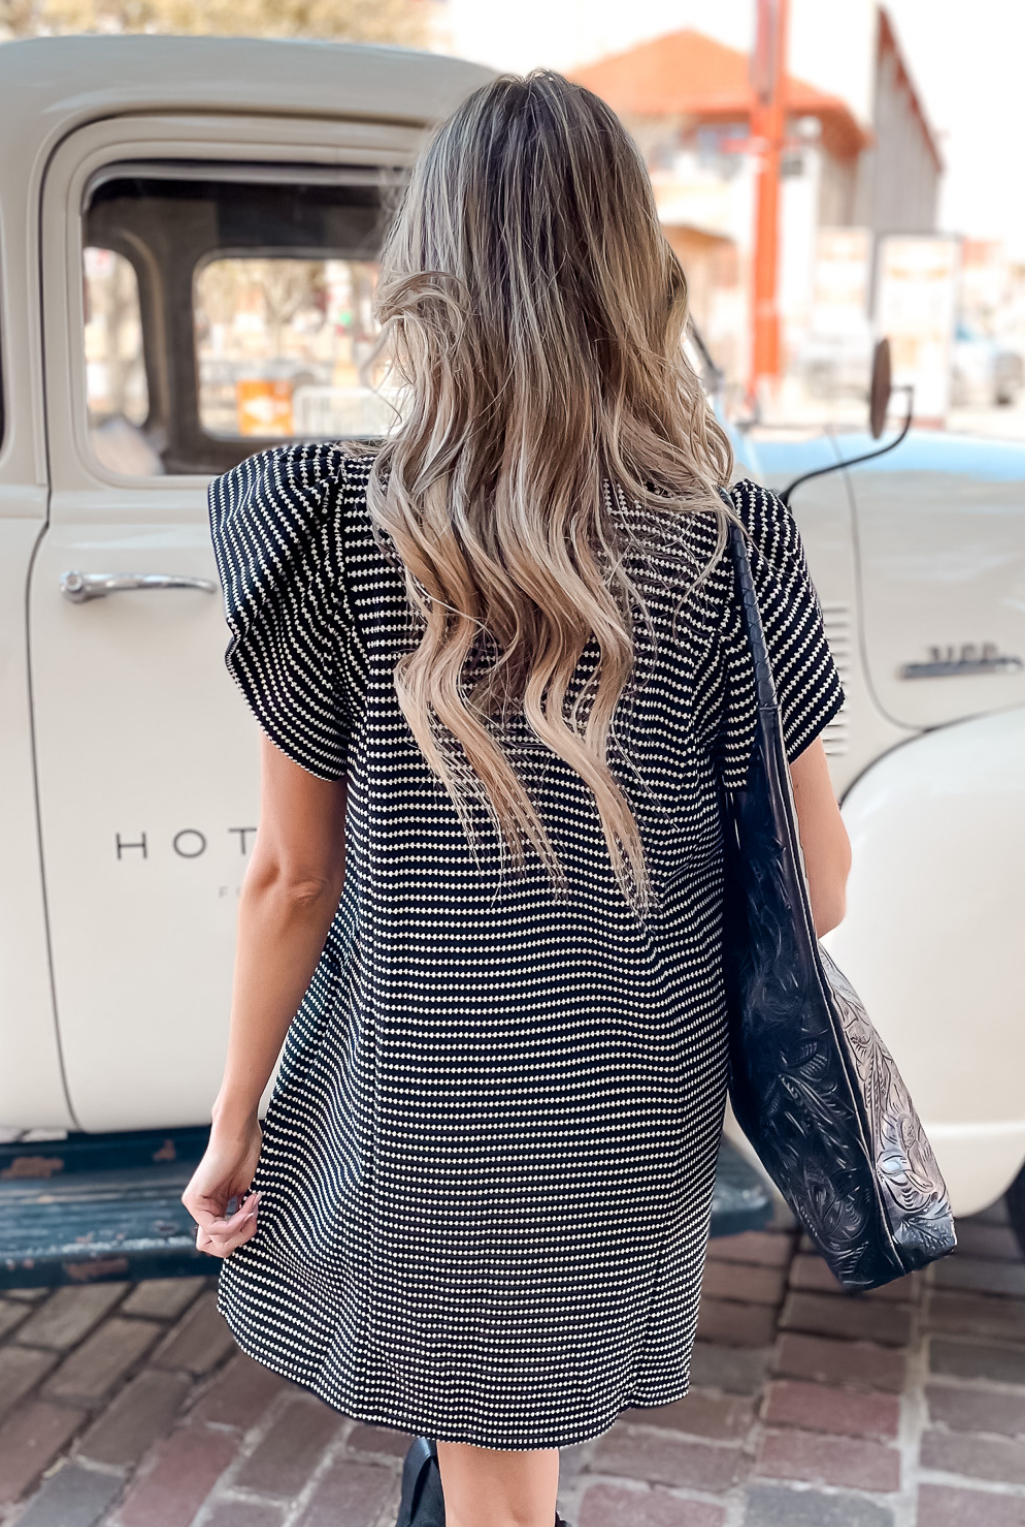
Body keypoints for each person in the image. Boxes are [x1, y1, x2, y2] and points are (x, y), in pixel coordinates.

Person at [182, 69, 851, 1527]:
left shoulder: (332, 527)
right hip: (632, 1103)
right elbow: (820, 883)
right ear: (632, 275)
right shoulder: (733, 540)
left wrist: (236, 1122)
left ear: (429, 276)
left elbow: (293, 880)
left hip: (433, 1102)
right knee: (504, 1438)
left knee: (496, 1476)